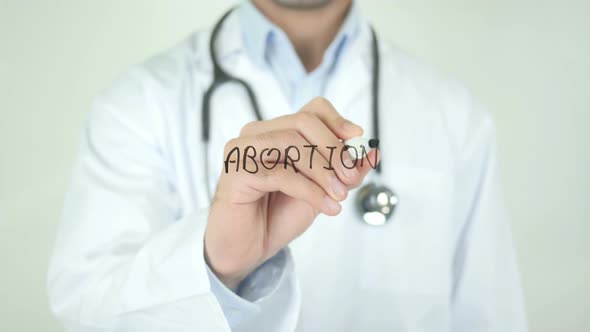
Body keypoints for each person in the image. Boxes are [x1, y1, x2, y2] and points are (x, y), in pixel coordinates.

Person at [47, 0, 528, 331]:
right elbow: (88, 311)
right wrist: (217, 266)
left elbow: (490, 320)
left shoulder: (455, 117)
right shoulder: (136, 105)